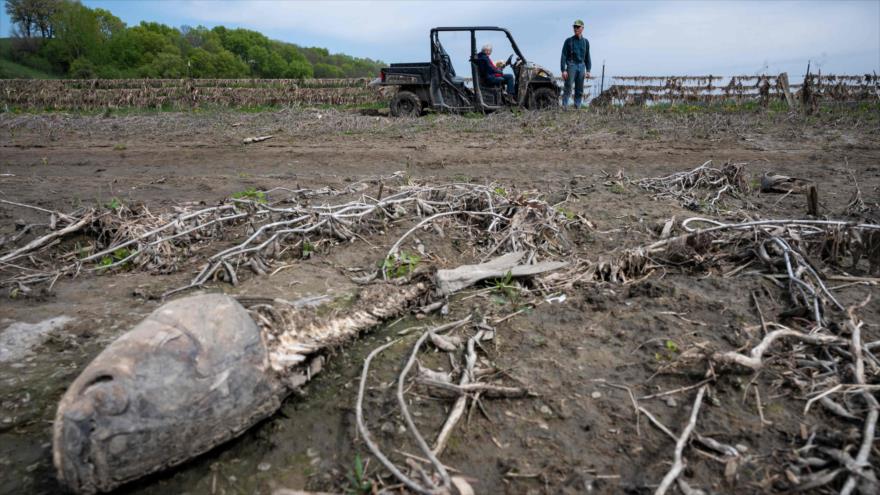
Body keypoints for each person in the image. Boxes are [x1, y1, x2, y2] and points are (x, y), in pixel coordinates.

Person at [560, 19, 591, 108]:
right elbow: (563, 55)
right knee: (568, 87)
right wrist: (563, 70)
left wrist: (588, 70)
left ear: (582, 28)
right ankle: (564, 106)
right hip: (571, 65)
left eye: (577, 27)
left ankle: (577, 106)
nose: (575, 28)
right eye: (574, 27)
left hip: (582, 66)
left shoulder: (586, 42)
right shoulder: (568, 41)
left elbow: (587, 57)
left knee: (579, 88)